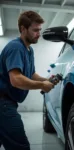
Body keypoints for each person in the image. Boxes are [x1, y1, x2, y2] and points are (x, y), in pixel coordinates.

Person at [0, 11, 58, 150]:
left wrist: (46, 80)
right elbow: (16, 80)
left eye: (40, 30)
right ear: (23, 29)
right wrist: (41, 85)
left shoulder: (29, 50)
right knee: (20, 146)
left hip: (8, 102)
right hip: (3, 104)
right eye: (35, 30)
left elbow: (30, 73)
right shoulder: (16, 47)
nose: (39, 33)